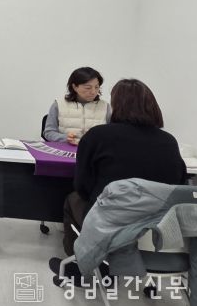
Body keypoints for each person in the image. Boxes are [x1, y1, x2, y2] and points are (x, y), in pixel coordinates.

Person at [53, 78, 187, 275]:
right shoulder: (168, 141)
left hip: (109, 216)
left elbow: (82, 185)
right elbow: (178, 182)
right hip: (152, 221)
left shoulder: (97, 136)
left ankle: (82, 269)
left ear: (117, 106)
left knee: (72, 199)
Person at [43, 67, 111, 145]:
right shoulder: (59, 104)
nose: (93, 92)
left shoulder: (105, 106)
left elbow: (112, 133)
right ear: (75, 87)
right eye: (88, 88)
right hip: (67, 148)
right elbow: (49, 132)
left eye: (97, 87)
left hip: (95, 150)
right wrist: (65, 138)